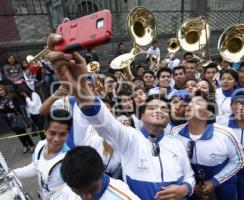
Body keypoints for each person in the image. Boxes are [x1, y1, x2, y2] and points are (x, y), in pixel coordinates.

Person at [45, 33, 195, 199]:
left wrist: (186, 189)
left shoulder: (177, 144)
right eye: (151, 107)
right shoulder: (129, 138)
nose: (158, 110)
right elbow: (102, 120)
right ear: (141, 115)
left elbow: (189, 176)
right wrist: (80, 85)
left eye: (163, 108)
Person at [171, 90, 244, 200]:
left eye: (198, 103)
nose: (189, 105)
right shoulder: (175, 133)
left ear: (209, 113)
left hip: (223, 186)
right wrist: (190, 185)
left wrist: (213, 182)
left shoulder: (225, 134)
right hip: (191, 186)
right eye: (190, 103)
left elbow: (239, 161)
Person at [14, 109, 72, 200]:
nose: (56, 139)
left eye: (62, 134)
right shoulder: (41, 145)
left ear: (68, 134)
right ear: (45, 131)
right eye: (52, 133)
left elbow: (71, 194)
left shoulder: (69, 161)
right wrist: (12, 174)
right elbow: (35, 167)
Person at [51, 146, 140, 200]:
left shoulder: (123, 197)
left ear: (103, 169)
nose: (87, 198)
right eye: (79, 193)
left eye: (92, 190)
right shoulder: (64, 192)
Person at [0, 84, 34, 153]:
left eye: (1, 90)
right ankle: (25, 145)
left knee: (23, 132)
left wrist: (7, 108)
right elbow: (2, 111)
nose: (0, 92)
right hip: (9, 119)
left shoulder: (12, 96)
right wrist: (6, 108)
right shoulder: (0, 100)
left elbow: (17, 106)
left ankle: (31, 145)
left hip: (16, 117)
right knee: (18, 134)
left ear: (4, 89)